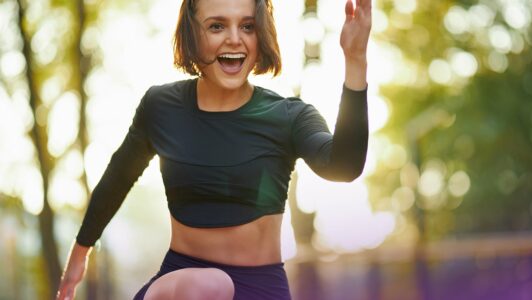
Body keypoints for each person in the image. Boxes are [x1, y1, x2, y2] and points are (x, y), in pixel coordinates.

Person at [56, 0, 370, 298]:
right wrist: (79, 253)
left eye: (247, 26)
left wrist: (355, 61)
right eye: (217, 26)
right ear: (193, 34)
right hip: (181, 285)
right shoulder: (161, 107)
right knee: (211, 285)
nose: (235, 39)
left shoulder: (289, 116)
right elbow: (117, 178)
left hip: (262, 288)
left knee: (215, 286)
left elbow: (343, 167)